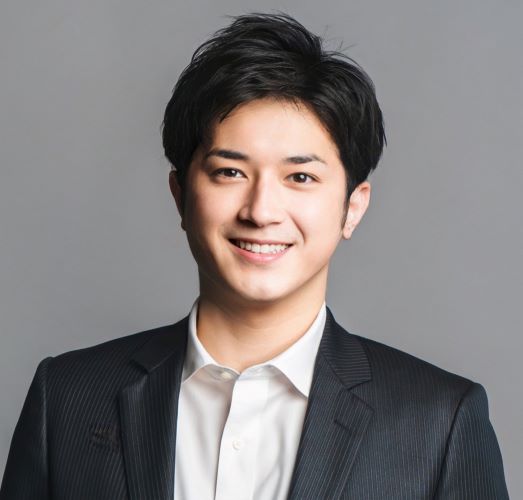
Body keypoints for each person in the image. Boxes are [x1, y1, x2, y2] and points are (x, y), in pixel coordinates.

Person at [0, 12, 508, 500]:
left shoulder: (440, 422)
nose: (261, 211)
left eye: (300, 177)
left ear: (352, 207)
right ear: (180, 195)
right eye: (230, 172)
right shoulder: (66, 398)